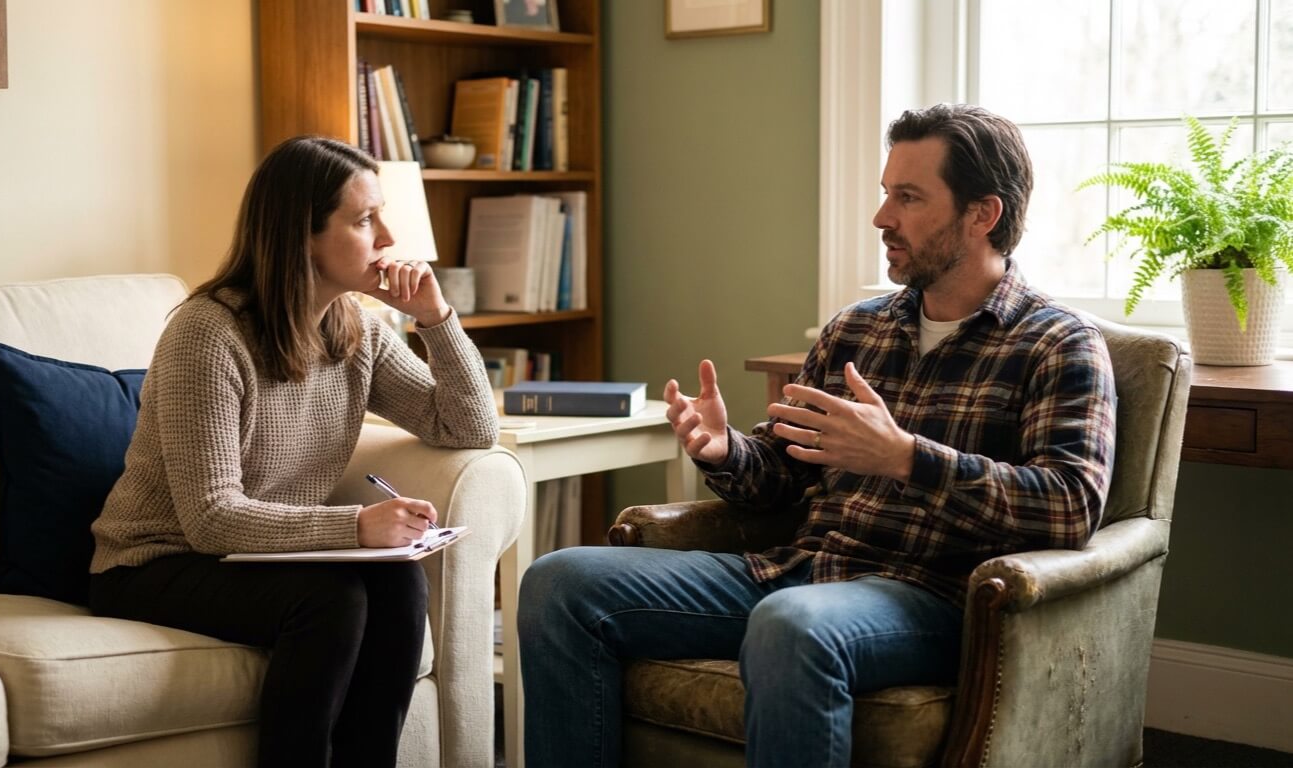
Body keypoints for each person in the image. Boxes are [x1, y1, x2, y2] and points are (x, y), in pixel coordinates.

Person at [517, 104, 1117, 767]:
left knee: (791, 624)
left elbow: (1068, 505)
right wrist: (724, 452)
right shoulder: (855, 329)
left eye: (907, 197)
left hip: (932, 598)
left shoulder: (1058, 342)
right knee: (558, 582)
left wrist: (906, 459)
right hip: (798, 571)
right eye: (885, 193)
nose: (881, 217)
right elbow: (780, 473)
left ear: (982, 215)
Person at [87, 136, 499, 768]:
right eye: (364, 220)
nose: (388, 236)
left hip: (261, 556)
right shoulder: (207, 334)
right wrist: (357, 526)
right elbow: (211, 518)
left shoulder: (355, 329)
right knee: (332, 599)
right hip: (153, 561)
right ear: (301, 236)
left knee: (398, 585)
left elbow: (470, 429)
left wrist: (437, 319)